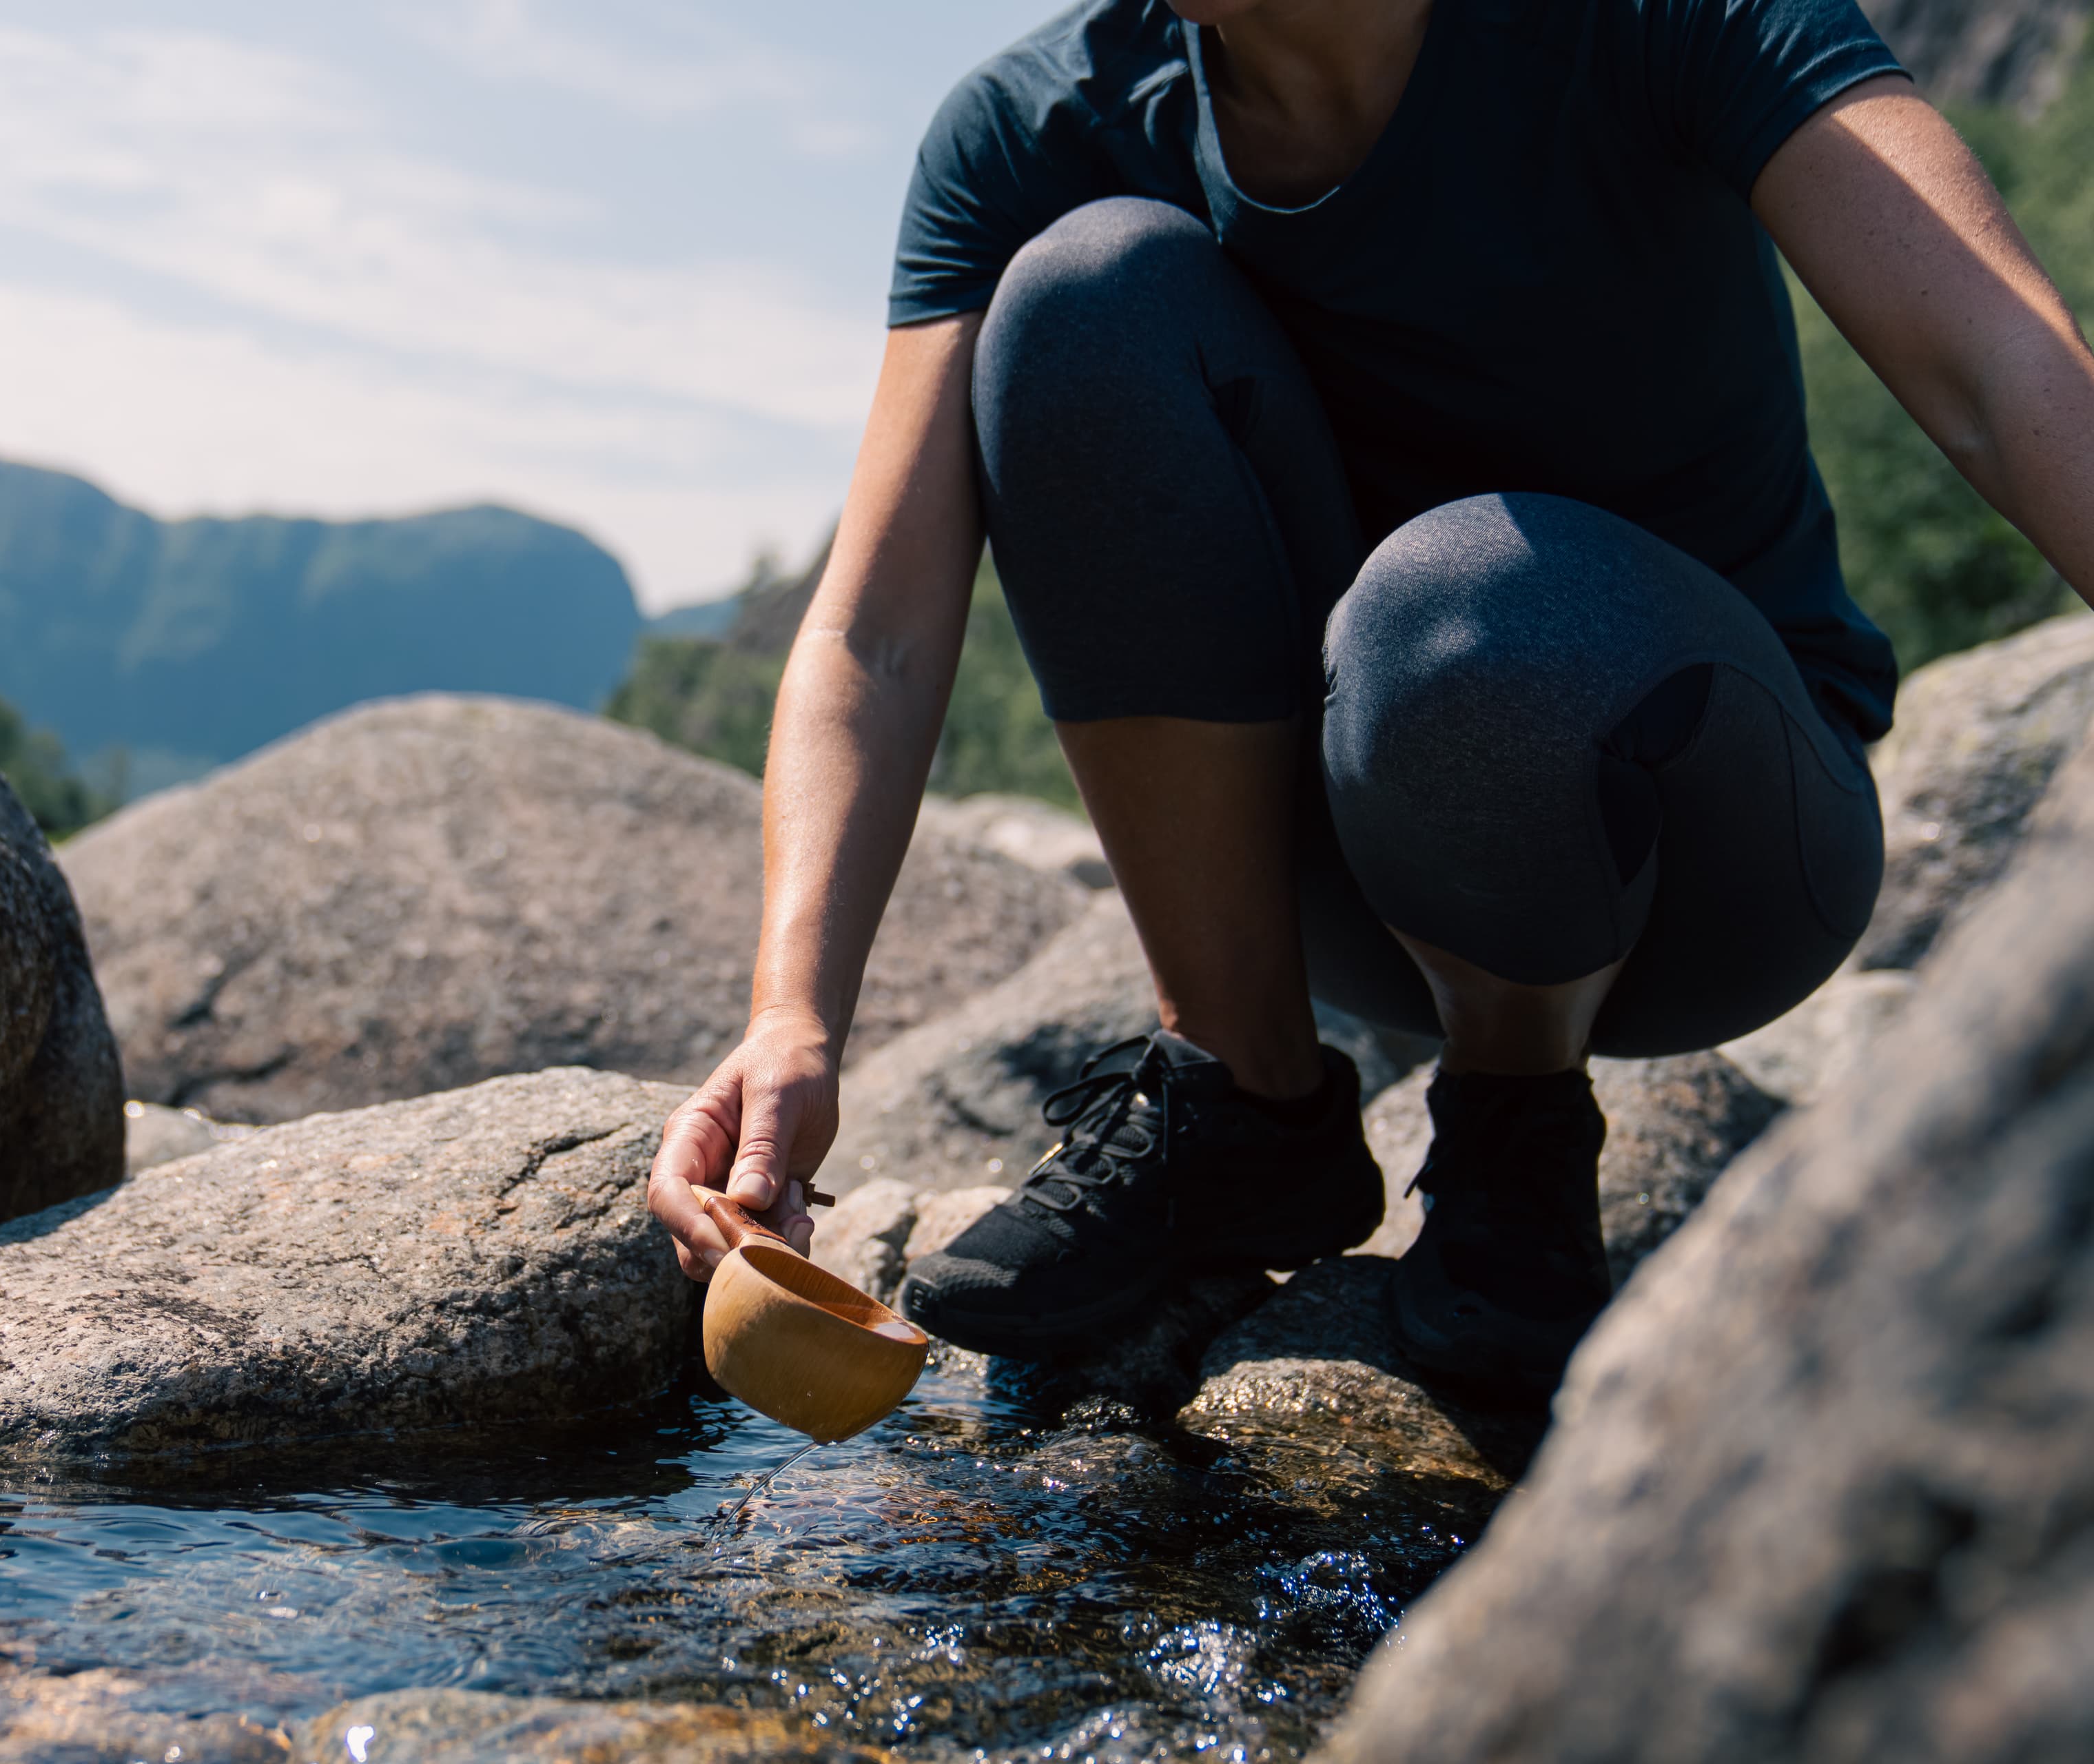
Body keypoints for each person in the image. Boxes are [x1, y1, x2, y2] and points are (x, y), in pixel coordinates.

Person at [646, 0, 2094, 1397]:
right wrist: (794, 1019)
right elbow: (880, 631)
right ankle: (1243, 1099)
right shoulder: (1036, 127)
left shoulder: (1660, 17)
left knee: (1454, 600)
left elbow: (1999, 368)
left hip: (1715, 844)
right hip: (1348, 852)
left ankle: (1516, 1138)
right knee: (1084, 290)